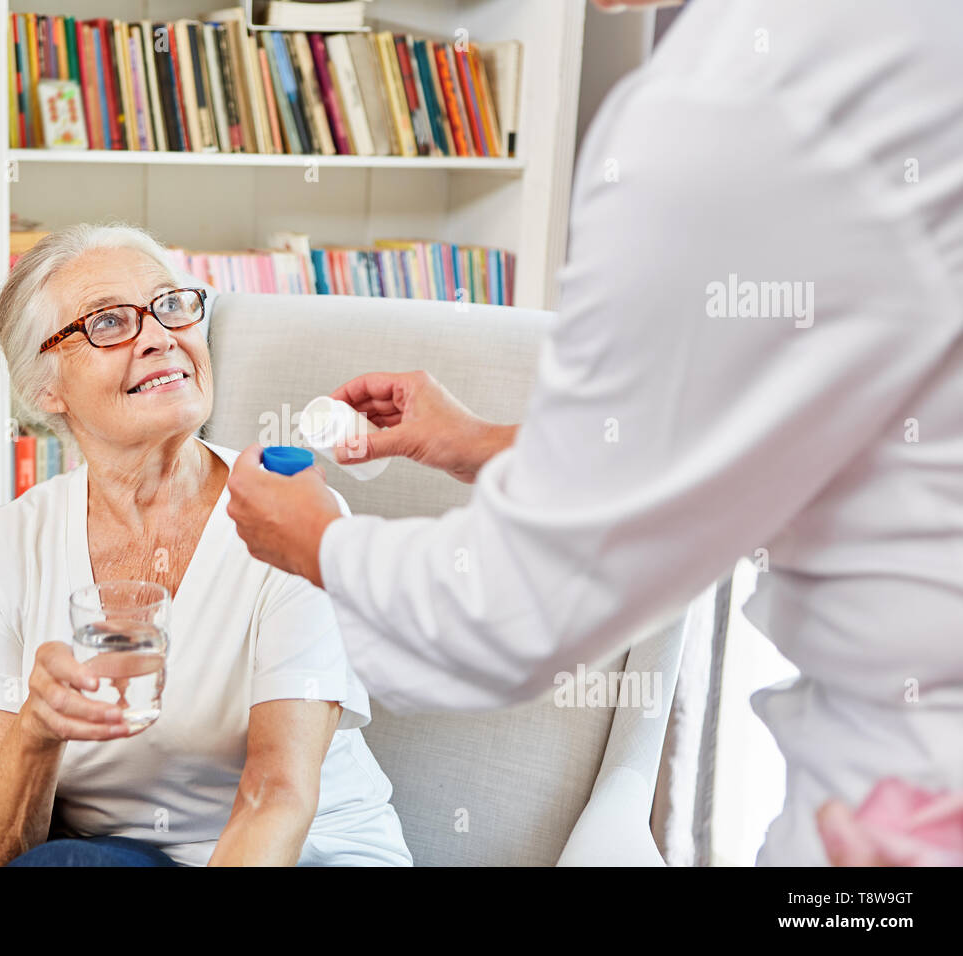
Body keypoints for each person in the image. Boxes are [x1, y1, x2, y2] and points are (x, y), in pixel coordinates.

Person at [224, 0, 963, 866]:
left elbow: (516, 612)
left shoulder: (729, 108)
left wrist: (320, 544)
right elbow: (744, 444)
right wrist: (480, 441)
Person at [0, 223, 411, 867]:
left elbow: (277, 796)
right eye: (108, 322)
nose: (160, 335)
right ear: (46, 389)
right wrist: (36, 732)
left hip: (303, 852)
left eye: (171, 305)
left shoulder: (292, 511)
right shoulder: (0, 550)